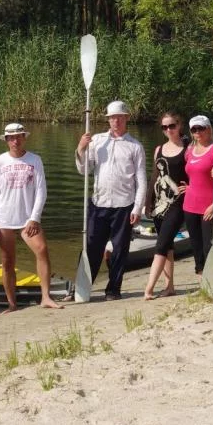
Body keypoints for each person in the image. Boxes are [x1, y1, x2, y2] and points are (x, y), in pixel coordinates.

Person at [74, 100, 147, 300]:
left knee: (120, 249)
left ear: (126, 118)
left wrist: (137, 208)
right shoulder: (97, 141)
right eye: (112, 117)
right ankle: (81, 287)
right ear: (108, 120)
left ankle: (113, 289)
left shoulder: (135, 146)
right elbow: (84, 170)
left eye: (120, 117)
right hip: (99, 203)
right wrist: (81, 149)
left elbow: (141, 180)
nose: (116, 121)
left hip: (124, 205)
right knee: (91, 246)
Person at [0, 123, 61, 312]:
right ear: (6, 140)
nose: (15, 141)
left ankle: (46, 297)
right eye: (11, 138)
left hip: (28, 218)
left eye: (19, 137)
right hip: (4, 219)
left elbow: (41, 191)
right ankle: (12, 304)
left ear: (24, 138)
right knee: (7, 261)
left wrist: (35, 218)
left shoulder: (35, 160)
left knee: (42, 250)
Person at [141, 112, 188, 300]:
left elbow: (197, 171)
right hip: (159, 204)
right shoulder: (159, 149)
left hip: (178, 204)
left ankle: (149, 288)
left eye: (172, 126)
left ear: (179, 125)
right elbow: (154, 177)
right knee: (168, 246)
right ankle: (169, 287)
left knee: (161, 245)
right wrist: (148, 202)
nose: (168, 130)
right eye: (164, 127)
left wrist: (191, 187)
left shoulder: (188, 148)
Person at [182, 115, 213, 276]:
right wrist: (188, 187)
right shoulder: (189, 150)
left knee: (210, 247)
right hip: (190, 206)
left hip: (210, 207)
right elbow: (191, 174)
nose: (197, 132)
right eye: (194, 129)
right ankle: (201, 279)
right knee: (196, 248)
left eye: (201, 128)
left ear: (209, 129)